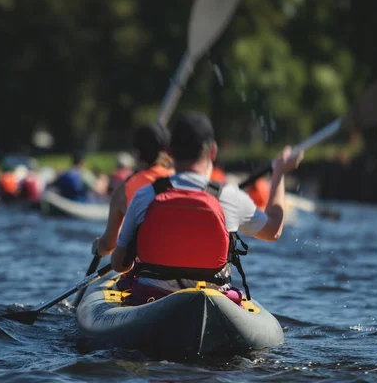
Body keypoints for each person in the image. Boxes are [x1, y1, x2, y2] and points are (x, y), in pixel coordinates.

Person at [92, 112, 304, 304]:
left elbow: (119, 264)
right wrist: (279, 175)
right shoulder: (230, 196)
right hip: (212, 301)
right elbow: (274, 230)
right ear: (213, 151)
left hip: (151, 298)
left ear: (169, 151)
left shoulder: (144, 195)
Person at [92, 122, 173, 258]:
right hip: (181, 260)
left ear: (138, 154)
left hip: (146, 268)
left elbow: (109, 245)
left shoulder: (124, 189)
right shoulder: (180, 179)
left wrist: (98, 247)